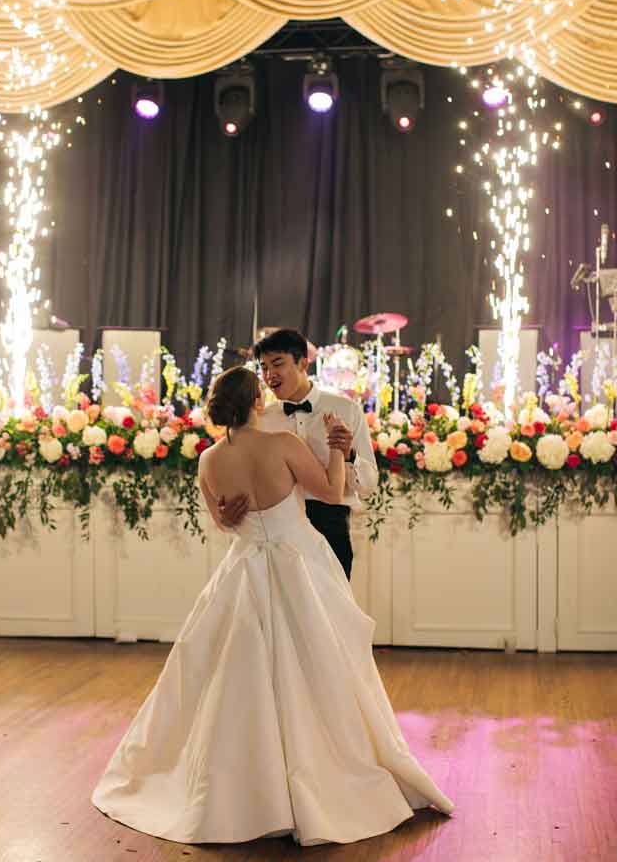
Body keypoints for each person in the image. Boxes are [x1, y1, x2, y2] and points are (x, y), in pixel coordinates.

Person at [91, 366, 454, 846]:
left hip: (242, 572)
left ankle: (241, 793)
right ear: (256, 402)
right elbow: (329, 491)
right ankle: (316, 781)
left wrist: (227, 514)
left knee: (236, 680)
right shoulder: (282, 445)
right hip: (298, 565)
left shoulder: (207, 461)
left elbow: (224, 522)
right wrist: (341, 452)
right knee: (319, 670)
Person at [219, 328, 378, 578]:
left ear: (303, 363)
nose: (270, 375)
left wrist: (349, 455)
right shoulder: (262, 418)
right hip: (278, 533)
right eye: (264, 367)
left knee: (332, 613)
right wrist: (225, 513)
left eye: (277, 364)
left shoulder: (346, 410)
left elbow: (369, 485)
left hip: (331, 525)